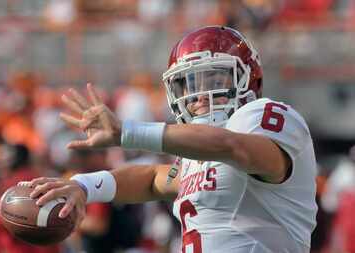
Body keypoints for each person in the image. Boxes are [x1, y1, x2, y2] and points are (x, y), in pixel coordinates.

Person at [22, 26, 318, 252]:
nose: (199, 95)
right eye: (188, 84)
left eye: (215, 80)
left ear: (248, 78)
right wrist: (83, 186)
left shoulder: (262, 116)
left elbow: (232, 146)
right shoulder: (195, 151)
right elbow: (152, 179)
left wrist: (128, 132)